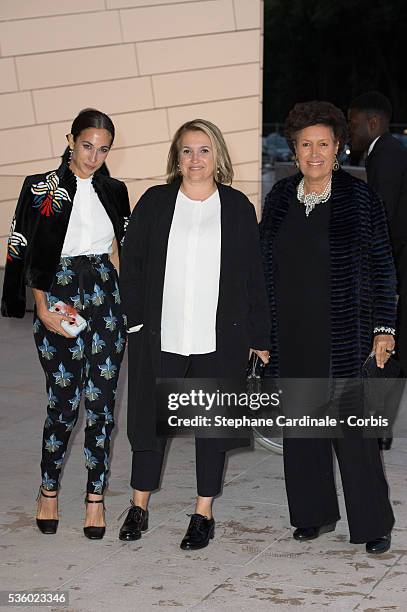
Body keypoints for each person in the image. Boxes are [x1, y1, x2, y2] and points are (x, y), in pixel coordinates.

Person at [119, 119, 270, 550]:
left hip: (219, 336)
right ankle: (138, 505)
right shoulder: (155, 201)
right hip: (159, 335)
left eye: (203, 150)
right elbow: (132, 265)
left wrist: (259, 335)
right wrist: (135, 320)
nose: (195, 159)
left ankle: (203, 513)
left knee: (212, 426)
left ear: (217, 155)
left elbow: (253, 277)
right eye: (186, 151)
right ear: (176, 158)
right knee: (150, 422)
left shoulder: (238, 206)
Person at [260, 101, 396, 554]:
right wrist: (260, 334)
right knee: (301, 432)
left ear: (337, 147)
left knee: (354, 436)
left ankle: (373, 524)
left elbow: (382, 265)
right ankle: (313, 515)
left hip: (346, 334)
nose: (313, 153)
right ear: (294, 150)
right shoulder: (279, 198)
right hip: (292, 333)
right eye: (304, 144)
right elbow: (261, 268)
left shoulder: (359, 198)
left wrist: (384, 328)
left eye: (322, 143)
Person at [1, 109, 131, 539]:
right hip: (57, 295)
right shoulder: (41, 187)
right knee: (64, 402)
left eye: (103, 149)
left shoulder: (115, 190)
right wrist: (39, 304)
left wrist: (127, 300)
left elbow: (120, 250)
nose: (94, 156)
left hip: (105, 297)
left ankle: (96, 498)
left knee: (102, 405)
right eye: (87, 145)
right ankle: (49, 490)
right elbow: (23, 244)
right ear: (71, 140)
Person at [348, 91, 407, 450]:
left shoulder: (385, 155)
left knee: (388, 345)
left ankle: (378, 429)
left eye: (353, 125)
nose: (350, 133)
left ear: (373, 123)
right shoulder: (390, 151)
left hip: (397, 268)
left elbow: (381, 219)